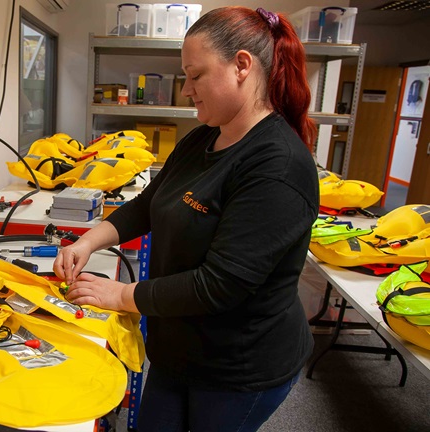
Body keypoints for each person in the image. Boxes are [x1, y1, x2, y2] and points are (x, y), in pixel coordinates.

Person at [54, 6, 318, 432]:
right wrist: (87, 242)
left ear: (242, 67)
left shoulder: (279, 165)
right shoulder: (202, 138)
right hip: (179, 346)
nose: (186, 90)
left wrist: (120, 295)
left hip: (238, 368)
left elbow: (220, 284)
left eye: (195, 76)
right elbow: (149, 204)